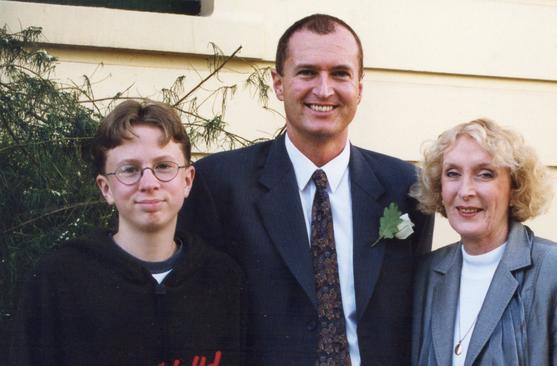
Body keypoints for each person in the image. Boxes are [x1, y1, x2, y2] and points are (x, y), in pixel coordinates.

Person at [179, 13, 433, 366]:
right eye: (307, 72)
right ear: (279, 83)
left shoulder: (403, 185)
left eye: (340, 73)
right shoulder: (220, 184)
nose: (324, 90)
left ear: (360, 86)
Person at [10, 100, 245, 366]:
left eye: (164, 166)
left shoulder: (222, 279)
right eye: (130, 170)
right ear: (106, 188)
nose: (149, 183)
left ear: (188, 180)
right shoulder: (59, 279)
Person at [410, 118, 557, 365]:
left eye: (485, 174)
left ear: (515, 188)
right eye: (452, 173)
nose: (465, 191)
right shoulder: (427, 272)